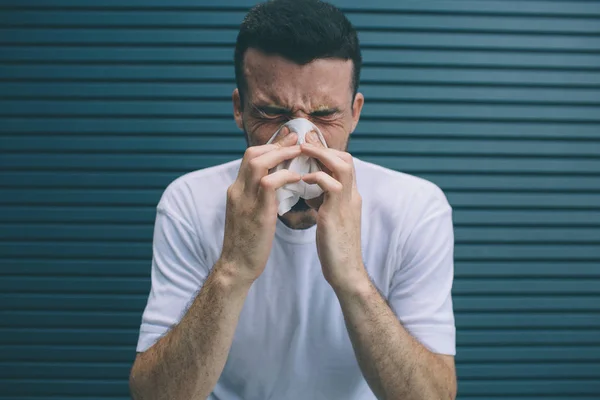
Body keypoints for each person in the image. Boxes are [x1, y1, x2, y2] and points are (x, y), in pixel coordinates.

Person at [129, 0, 457, 399]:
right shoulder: (190, 202)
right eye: (271, 112)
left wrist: (353, 278)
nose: (300, 139)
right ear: (239, 109)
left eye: (324, 115)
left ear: (354, 114)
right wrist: (232, 269)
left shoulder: (414, 208)